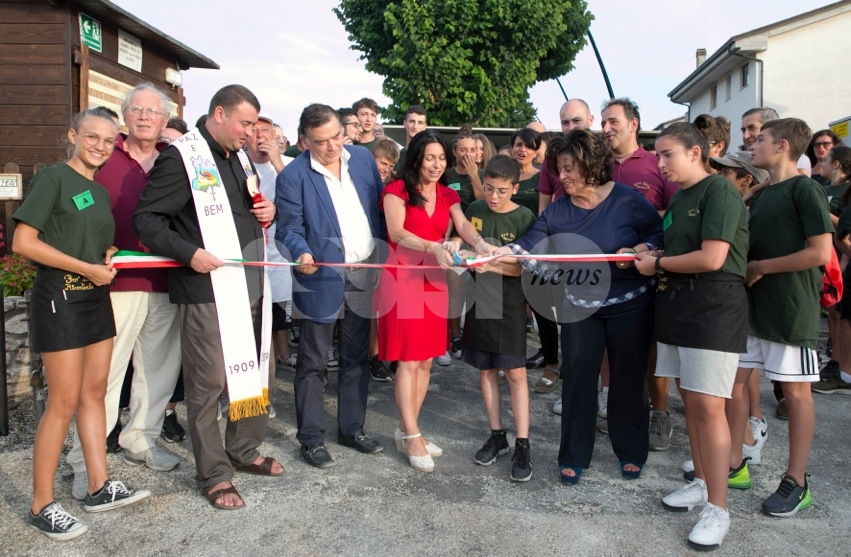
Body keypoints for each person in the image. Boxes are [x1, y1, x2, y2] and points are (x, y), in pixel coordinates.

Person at [133, 84, 282, 511]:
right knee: (209, 381)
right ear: (219, 113)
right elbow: (146, 219)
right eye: (245, 123)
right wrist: (189, 253)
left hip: (250, 282)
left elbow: (246, 210)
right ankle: (215, 473)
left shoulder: (238, 157)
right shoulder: (182, 157)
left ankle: (243, 448)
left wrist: (269, 211)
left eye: (254, 125)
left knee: (257, 370)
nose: (251, 133)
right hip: (206, 288)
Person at [490, 129, 663, 485]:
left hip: (630, 304)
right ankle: (573, 454)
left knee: (629, 376)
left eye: (569, 169)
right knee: (578, 375)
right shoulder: (557, 211)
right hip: (579, 305)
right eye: (559, 169)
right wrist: (493, 252)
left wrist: (641, 251)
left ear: (591, 165)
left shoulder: (628, 200)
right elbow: (528, 245)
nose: (562, 176)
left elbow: (657, 234)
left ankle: (631, 449)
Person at [15, 107, 151, 540]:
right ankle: (41, 504)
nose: (100, 146)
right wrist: (85, 267)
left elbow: (87, 240)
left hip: (93, 297)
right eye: (92, 137)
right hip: (60, 296)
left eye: (108, 141)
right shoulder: (54, 177)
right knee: (63, 401)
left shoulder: (96, 189)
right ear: (73, 135)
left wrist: (106, 253)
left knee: (95, 393)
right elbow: (23, 242)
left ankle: (98, 485)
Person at [66, 85, 184, 500]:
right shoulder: (103, 154)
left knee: (158, 369)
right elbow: (76, 206)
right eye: (137, 109)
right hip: (114, 283)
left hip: (166, 281)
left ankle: (141, 437)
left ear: (165, 119)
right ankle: (84, 460)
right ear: (125, 115)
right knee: (104, 375)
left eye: (153, 111)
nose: (145, 116)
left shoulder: (176, 159)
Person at [635, 123, 749, 551]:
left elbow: (713, 257)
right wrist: (652, 254)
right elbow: (680, 251)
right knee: (692, 401)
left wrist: (657, 265)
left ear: (695, 152)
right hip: (679, 305)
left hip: (713, 308)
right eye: (658, 156)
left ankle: (719, 509)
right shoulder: (681, 197)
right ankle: (702, 483)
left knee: (708, 406)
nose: (660, 163)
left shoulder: (719, 191)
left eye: (667, 154)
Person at [378, 130, 496, 473]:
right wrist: (432, 246)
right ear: (416, 157)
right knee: (408, 360)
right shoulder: (396, 190)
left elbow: (463, 224)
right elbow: (396, 232)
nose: (437, 164)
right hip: (403, 278)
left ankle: (408, 429)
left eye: (442, 158)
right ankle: (412, 435)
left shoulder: (447, 193)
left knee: (427, 360)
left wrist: (480, 244)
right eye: (430, 157)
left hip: (434, 279)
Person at [732, 118, 832, 517]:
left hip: (790, 309)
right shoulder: (764, 193)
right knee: (733, 384)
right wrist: (755, 188)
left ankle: (796, 480)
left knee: (795, 393)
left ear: (783, 146)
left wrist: (762, 268)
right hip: (752, 309)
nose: (752, 145)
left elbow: (820, 252)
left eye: (761, 139)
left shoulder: (806, 190)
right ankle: (735, 462)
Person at [277, 103, 385, 469]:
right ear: (305, 141)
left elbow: (378, 211)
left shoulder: (363, 160)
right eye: (322, 141)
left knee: (356, 357)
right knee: (313, 362)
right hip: (319, 278)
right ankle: (311, 438)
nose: (332, 146)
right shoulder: (293, 176)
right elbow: (288, 229)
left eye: (337, 136)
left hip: (363, 274)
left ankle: (352, 429)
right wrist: (301, 251)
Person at [601, 97, 680, 450]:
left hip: (649, 270)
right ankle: (609, 404)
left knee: (651, 348)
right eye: (603, 123)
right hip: (605, 273)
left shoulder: (656, 164)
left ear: (633, 124)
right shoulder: (598, 166)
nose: (606, 129)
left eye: (613, 121)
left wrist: (645, 244)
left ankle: (658, 412)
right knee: (605, 342)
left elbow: (676, 211)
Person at [460, 155, 537, 481]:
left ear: (515, 188)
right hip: (481, 298)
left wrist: (483, 262)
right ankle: (497, 435)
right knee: (486, 369)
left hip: (510, 301)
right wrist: (466, 257)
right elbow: (461, 248)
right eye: (489, 188)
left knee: (516, 373)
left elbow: (520, 268)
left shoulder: (524, 217)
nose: (493, 196)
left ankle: (523, 443)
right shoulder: (475, 210)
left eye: (502, 191)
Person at [535, 99, 595, 415]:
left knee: (589, 328)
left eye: (576, 121)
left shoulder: (601, 157)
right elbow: (544, 203)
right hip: (559, 248)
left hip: (595, 254)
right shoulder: (553, 157)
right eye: (565, 122)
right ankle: (556, 369)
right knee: (554, 314)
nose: (570, 127)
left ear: (590, 120)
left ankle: (598, 391)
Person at [245, 112, 295, 418]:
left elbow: (300, 200)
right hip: (243, 264)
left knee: (269, 336)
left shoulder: (287, 166)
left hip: (278, 265)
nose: (263, 138)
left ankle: (265, 395)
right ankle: (233, 395)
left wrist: (277, 161)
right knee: (241, 336)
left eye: (269, 133)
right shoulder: (237, 164)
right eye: (256, 131)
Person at [812, 145, 851, 392]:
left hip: (840, 254)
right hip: (826, 253)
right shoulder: (826, 188)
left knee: (839, 311)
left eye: (826, 160)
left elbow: (844, 223)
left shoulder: (847, 188)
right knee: (833, 311)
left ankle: (839, 364)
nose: (821, 163)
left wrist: (821, 210)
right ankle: (835, 361)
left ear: (836, 164)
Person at [396, 105, 428, 172]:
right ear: (404, 123)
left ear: (425, 126)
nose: (415, 126)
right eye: (412, 121)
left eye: (420, 123)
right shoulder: (396, 156)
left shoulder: (429, 154)